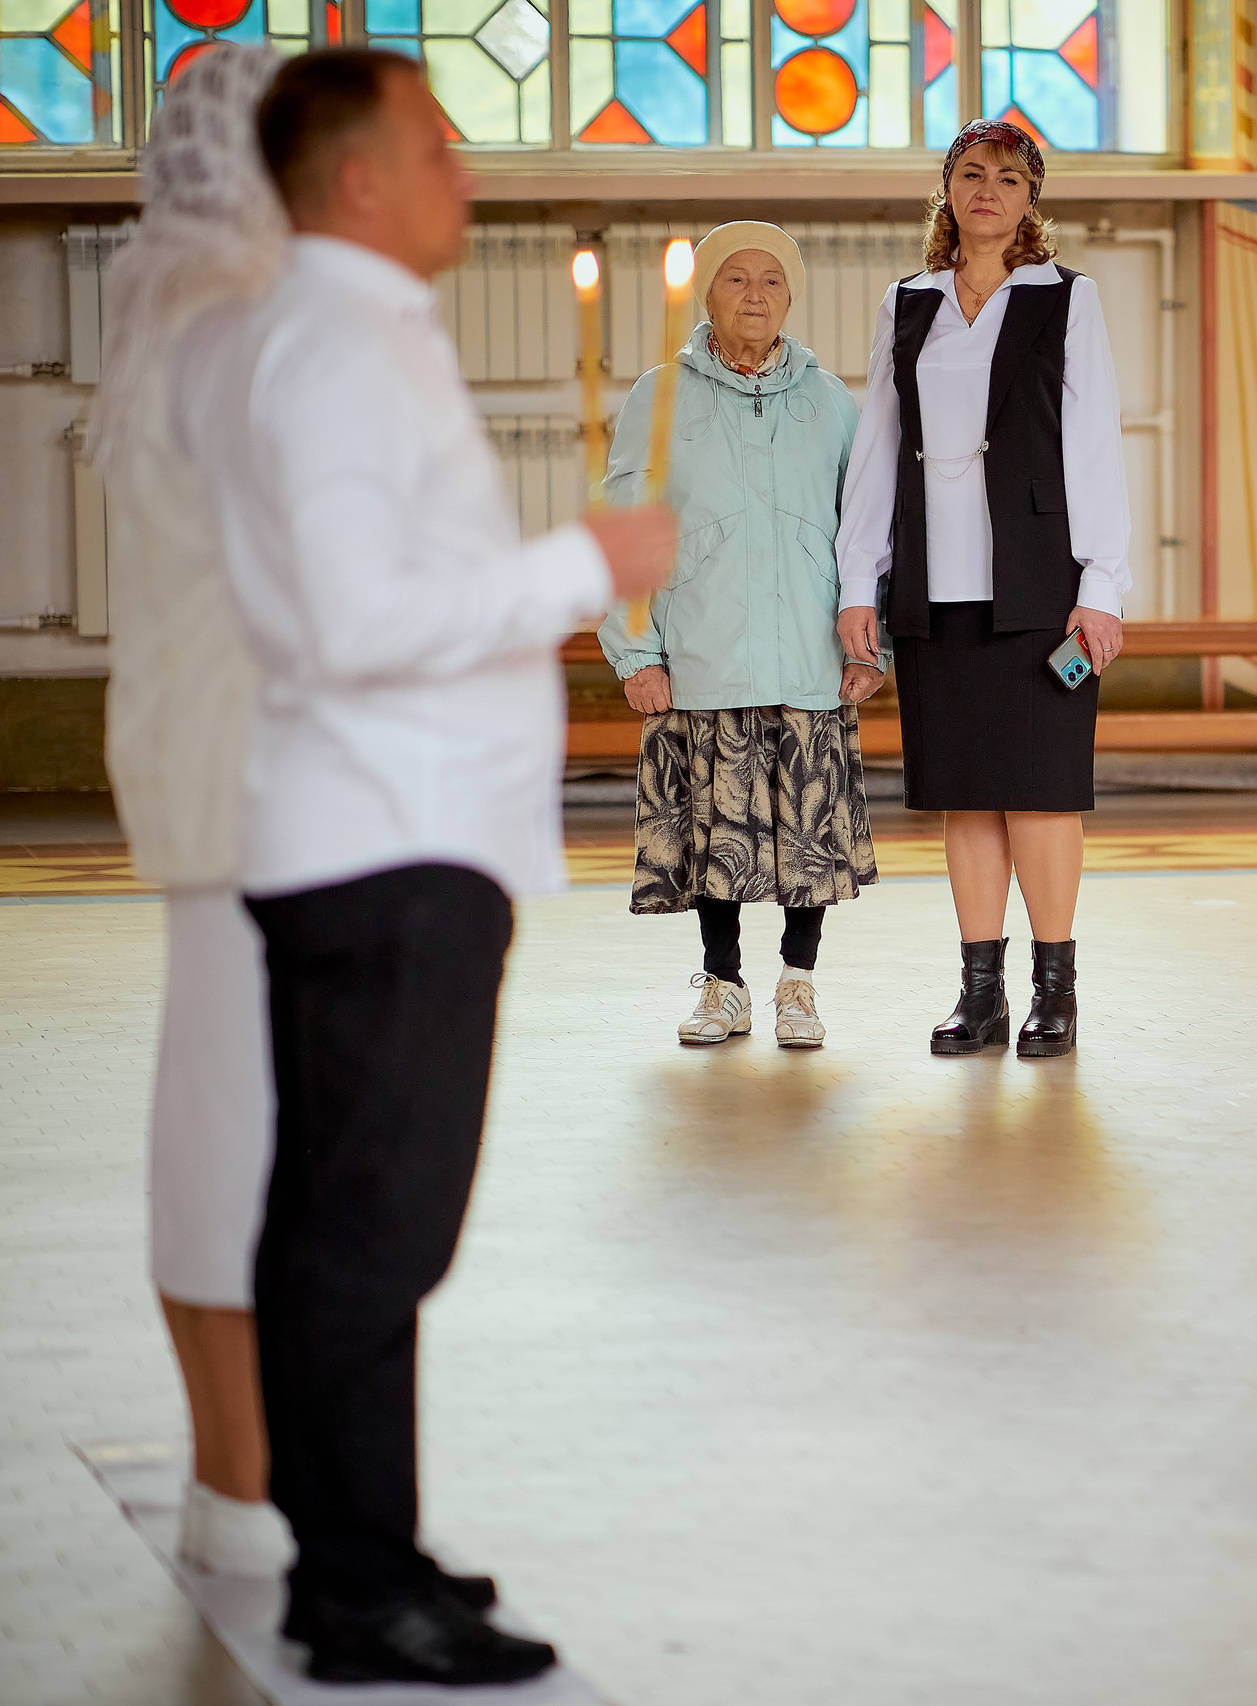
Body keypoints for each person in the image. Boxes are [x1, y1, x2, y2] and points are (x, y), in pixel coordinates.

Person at [182, 48, 672, 1682]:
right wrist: (576, 565)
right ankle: (356, 1584)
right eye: (442, 145)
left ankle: (362, 1552)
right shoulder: (332, 348)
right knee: (371, 1227)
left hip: (389, 832)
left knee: (343, 1215)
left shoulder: (346, 332)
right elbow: (355, 620)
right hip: (385, 843)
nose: (470, 172)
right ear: (360, 179)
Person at [91, 40, 289, 1583]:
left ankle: (245, 1458)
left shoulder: (174, 296)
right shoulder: (234, 316)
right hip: (255, 754)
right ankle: (238, 1473)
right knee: (237, 1108)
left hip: (206, 739)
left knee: (220, 1090)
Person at [835, 118, 1133, 1060]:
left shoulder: (1066, 300)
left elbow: (1095, 449)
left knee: (1042, 795)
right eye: (972, 174)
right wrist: (857, 582)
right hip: (935, 586)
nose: (988, 190)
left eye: (1008, 177)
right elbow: (877, 449)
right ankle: (981, 996)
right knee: (966, 797)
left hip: (1043, 591)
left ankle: (1056, 993)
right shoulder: (906, 304)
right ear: (949, 190)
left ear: (1030, 198)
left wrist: (1104, 588)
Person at [601, 220, 877, 1049]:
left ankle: (798, 985)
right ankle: (724, 986)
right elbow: (626, 523)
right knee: (714, 832)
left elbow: (865, 532)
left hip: (806, 653)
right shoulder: (660, 393)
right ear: (707, 293)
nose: (753, 294)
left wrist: (871, 643)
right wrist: (635, 650)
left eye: (771, 281)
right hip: (703, 650)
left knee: (806, 833)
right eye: (735, 279)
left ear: (790, 298)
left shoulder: (830, 400)